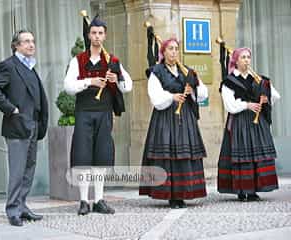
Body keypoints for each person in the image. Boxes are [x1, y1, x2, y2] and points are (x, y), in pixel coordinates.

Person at [64, 15, 132, 215]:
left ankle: (99, 200)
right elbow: (68, 86)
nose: (97, 37)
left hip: (104, 113)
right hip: (84, 113)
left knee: (101, 157)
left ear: (105, 36)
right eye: (93, 33)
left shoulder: (112, 60)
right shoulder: (78, 60)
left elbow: (127, 86)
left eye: (100, 33)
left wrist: (116, 77)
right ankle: (84, 201)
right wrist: (89, 82)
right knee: (83, 156)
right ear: (89, 35)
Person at [0, 30, 49, 226]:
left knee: (28, 169)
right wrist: (11, 109)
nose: (31, 44)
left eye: (32, 41)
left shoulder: (30, 66)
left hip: (33, 125)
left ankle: (22, 206)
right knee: (17, 170)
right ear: (16, 46)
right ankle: (12, 210)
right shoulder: (9, 65)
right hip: (18, 126)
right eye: (26, 41)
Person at [139, 38, 208, 209]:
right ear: (163, 52)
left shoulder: (187, 72)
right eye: (170, 49)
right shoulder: (157, 71)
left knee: (184, 154)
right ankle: (171, 195)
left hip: (185, 117)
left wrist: (193, 90)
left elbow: (203, 93)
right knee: (168, 154)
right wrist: (172, 97)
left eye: (176, 49)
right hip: (165, 117)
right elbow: (155, 96)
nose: (174, 52)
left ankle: (183, 193)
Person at [217, 47, 280, 201]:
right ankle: (242, 190)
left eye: (248, 57)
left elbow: (276, 95)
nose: (246, 60)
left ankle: (253, 190)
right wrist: (247, 105)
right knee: (242, 156)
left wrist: (266, 99)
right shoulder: (229, 81)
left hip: (258, 125)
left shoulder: (259, 79)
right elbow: (230, 106)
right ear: (236, 61)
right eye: (243, 57)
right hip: (240, 123)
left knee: (255, 156)